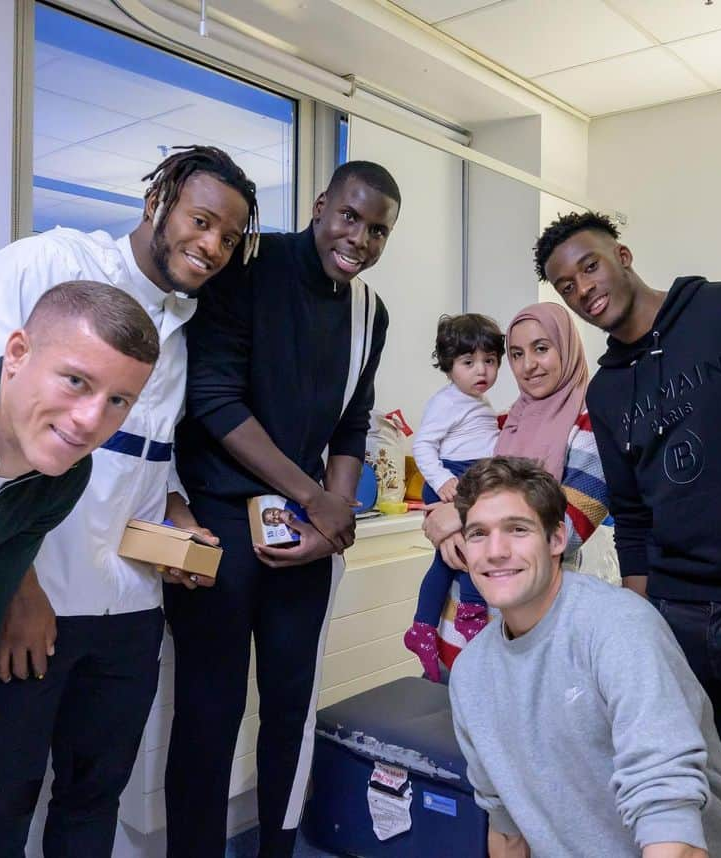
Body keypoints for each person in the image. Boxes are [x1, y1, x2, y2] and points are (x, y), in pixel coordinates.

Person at [0, 146, 256, 858]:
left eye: (229, 237)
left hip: (129, 618)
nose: (211, 245)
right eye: (201, 220)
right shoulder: (46, 266)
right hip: (31, 606)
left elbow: (148, 459)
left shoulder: (177, 331)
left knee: (92, 807)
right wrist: (9, 590)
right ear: (158, 201)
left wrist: (178, 525)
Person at [537, 211, 721, 857]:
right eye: (565, 284)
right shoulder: (608, 391)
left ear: (623, 253)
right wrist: (640, 629)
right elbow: (633, 517)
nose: (582, 288)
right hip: (677, 619)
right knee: (688, 809)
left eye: (589, 266)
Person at [169, 160, 400, 857]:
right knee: (209, 715)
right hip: (219, 519)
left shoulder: (368, 311)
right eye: (350, 216)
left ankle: (277, 849)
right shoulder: (248, 264)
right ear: (321, 204)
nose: (359, 238)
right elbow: (213, 400)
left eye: (378, 230)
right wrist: (320, 500)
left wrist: (328, 525)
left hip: (303, 537)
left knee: (291, 712)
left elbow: (352, 422)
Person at [449, 456, 721, 858]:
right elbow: (506, 829)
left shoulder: (617, 628)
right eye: (478, 534)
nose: (496, 551)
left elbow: (671, 828)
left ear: (556, 539)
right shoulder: (470, 676)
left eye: (517, 530)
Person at [0, 281, 158, 756]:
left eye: (118, 400)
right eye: (76, 381)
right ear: (18, 352)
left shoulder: (62, 478)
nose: (89, 421)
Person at [421, 302, 609, 670]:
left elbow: (568, 528)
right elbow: (437, 513)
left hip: (534, 623)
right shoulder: (505, 422)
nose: (528, 365)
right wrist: (443, 527)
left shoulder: (591, 426)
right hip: (461, 619)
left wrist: (460, 518)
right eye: (517, 354)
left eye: (542, 348)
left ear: (566, 347)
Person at [405, 313, 504, 681]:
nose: (482, 370)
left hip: (468, 474)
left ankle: (423, 628)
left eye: (490, 361)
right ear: (449, 367)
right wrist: (445, 481)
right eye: (469, 362)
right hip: (455, 476)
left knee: (446, 562)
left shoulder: (475, 400)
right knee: (467, 554)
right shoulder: (447, 401)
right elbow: (424, 445)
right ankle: (471, 616)